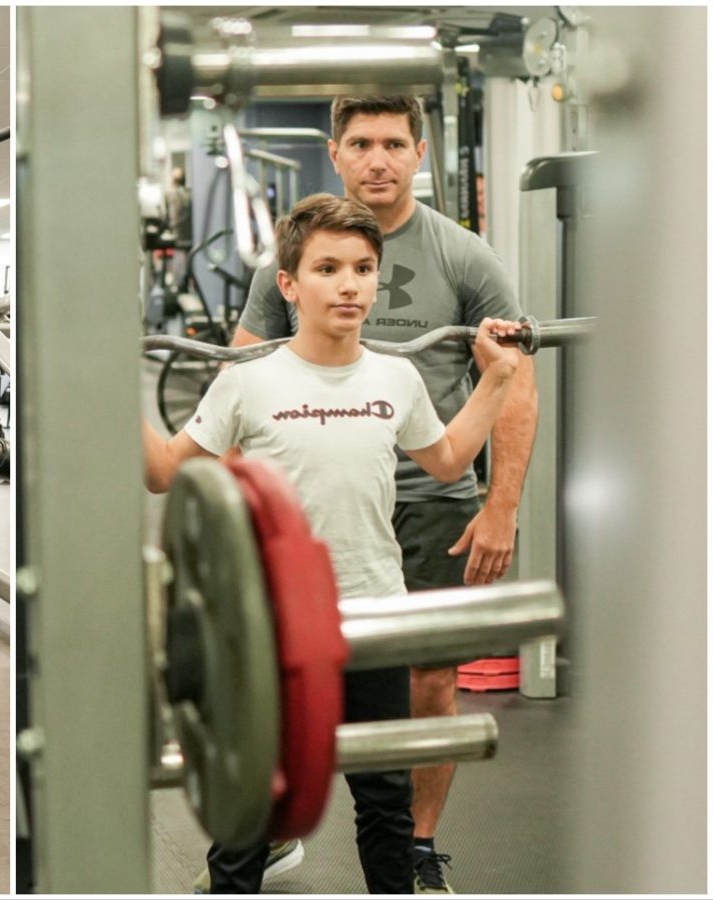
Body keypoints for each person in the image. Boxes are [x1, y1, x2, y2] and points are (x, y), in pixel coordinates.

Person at [144, 194, 526, 894]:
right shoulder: (248, 383)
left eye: (363, 268)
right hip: (269, 628)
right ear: (288, 284)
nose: (349, 284)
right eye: (327, 268)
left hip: (369, 618)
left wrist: (497, 375)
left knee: (383, 801)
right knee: (252, 809)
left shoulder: (395, 375)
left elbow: (444, 460)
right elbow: (165, 472)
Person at [230, 95, 538, 894]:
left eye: (394, 143)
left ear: (420, 152)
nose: (378, 159)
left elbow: (516, 380)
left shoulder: (465, 255)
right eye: (361, 143)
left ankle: (415, 850)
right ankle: (267, 828)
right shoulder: (285, 264)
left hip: (431, 496)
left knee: (429, 681)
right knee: (280, 677)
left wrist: (500, 504)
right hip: (314, 498)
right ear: (335, 153)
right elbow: (243, 370)